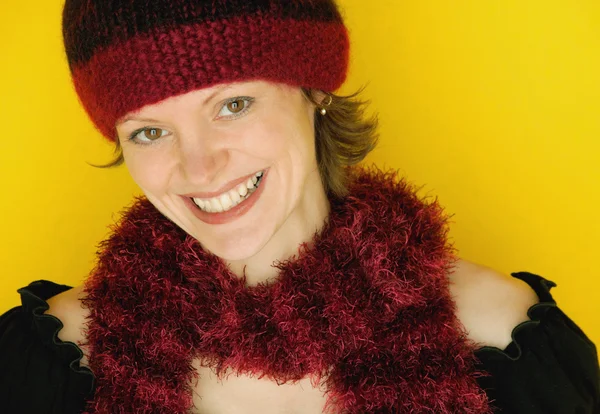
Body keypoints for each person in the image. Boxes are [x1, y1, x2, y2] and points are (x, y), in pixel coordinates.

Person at [0, 0, 598, 413]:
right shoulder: (49, 365)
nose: (200, 168)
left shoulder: (504, 343)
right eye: (148, 132)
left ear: (315, 90)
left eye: (232, 104)